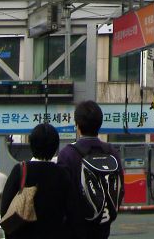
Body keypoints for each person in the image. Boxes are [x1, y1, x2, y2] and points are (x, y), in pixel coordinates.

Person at [57, 100, 125, 239]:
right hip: (103, 226)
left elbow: (61, 194)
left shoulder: (68, 154)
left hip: (74, 228)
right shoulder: (111, 152)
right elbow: (120, 189)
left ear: (77, 125)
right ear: (99, 124)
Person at [1, 123, 73, 239]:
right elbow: (71, 212)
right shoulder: (62, 174)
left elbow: (5, 210)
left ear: (31, 145)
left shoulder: (20, 170)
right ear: (55, 147)